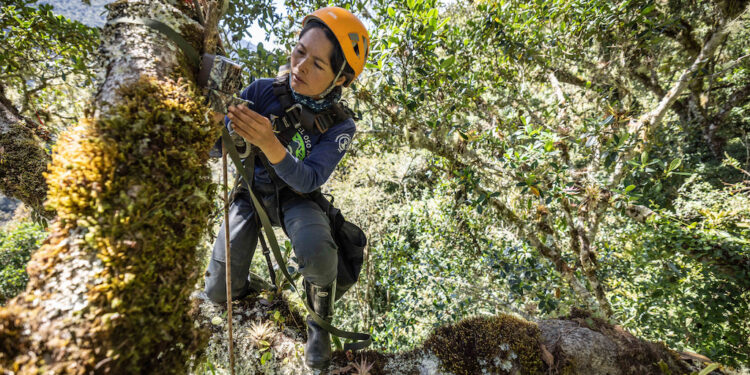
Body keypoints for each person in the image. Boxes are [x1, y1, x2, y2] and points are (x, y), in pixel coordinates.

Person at [203, 7, 369, 369]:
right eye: (299, 52)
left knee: (317, 249)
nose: (300, 67)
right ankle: (252, 284)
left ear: (340, 79)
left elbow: (309, 179)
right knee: (218, 292)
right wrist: (216, 116)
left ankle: (318, 323)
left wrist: (269, 142)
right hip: (252, 191)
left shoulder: (339, 126)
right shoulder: (263, 92)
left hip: (298, 198)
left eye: (318, 65)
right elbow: (217, 149)